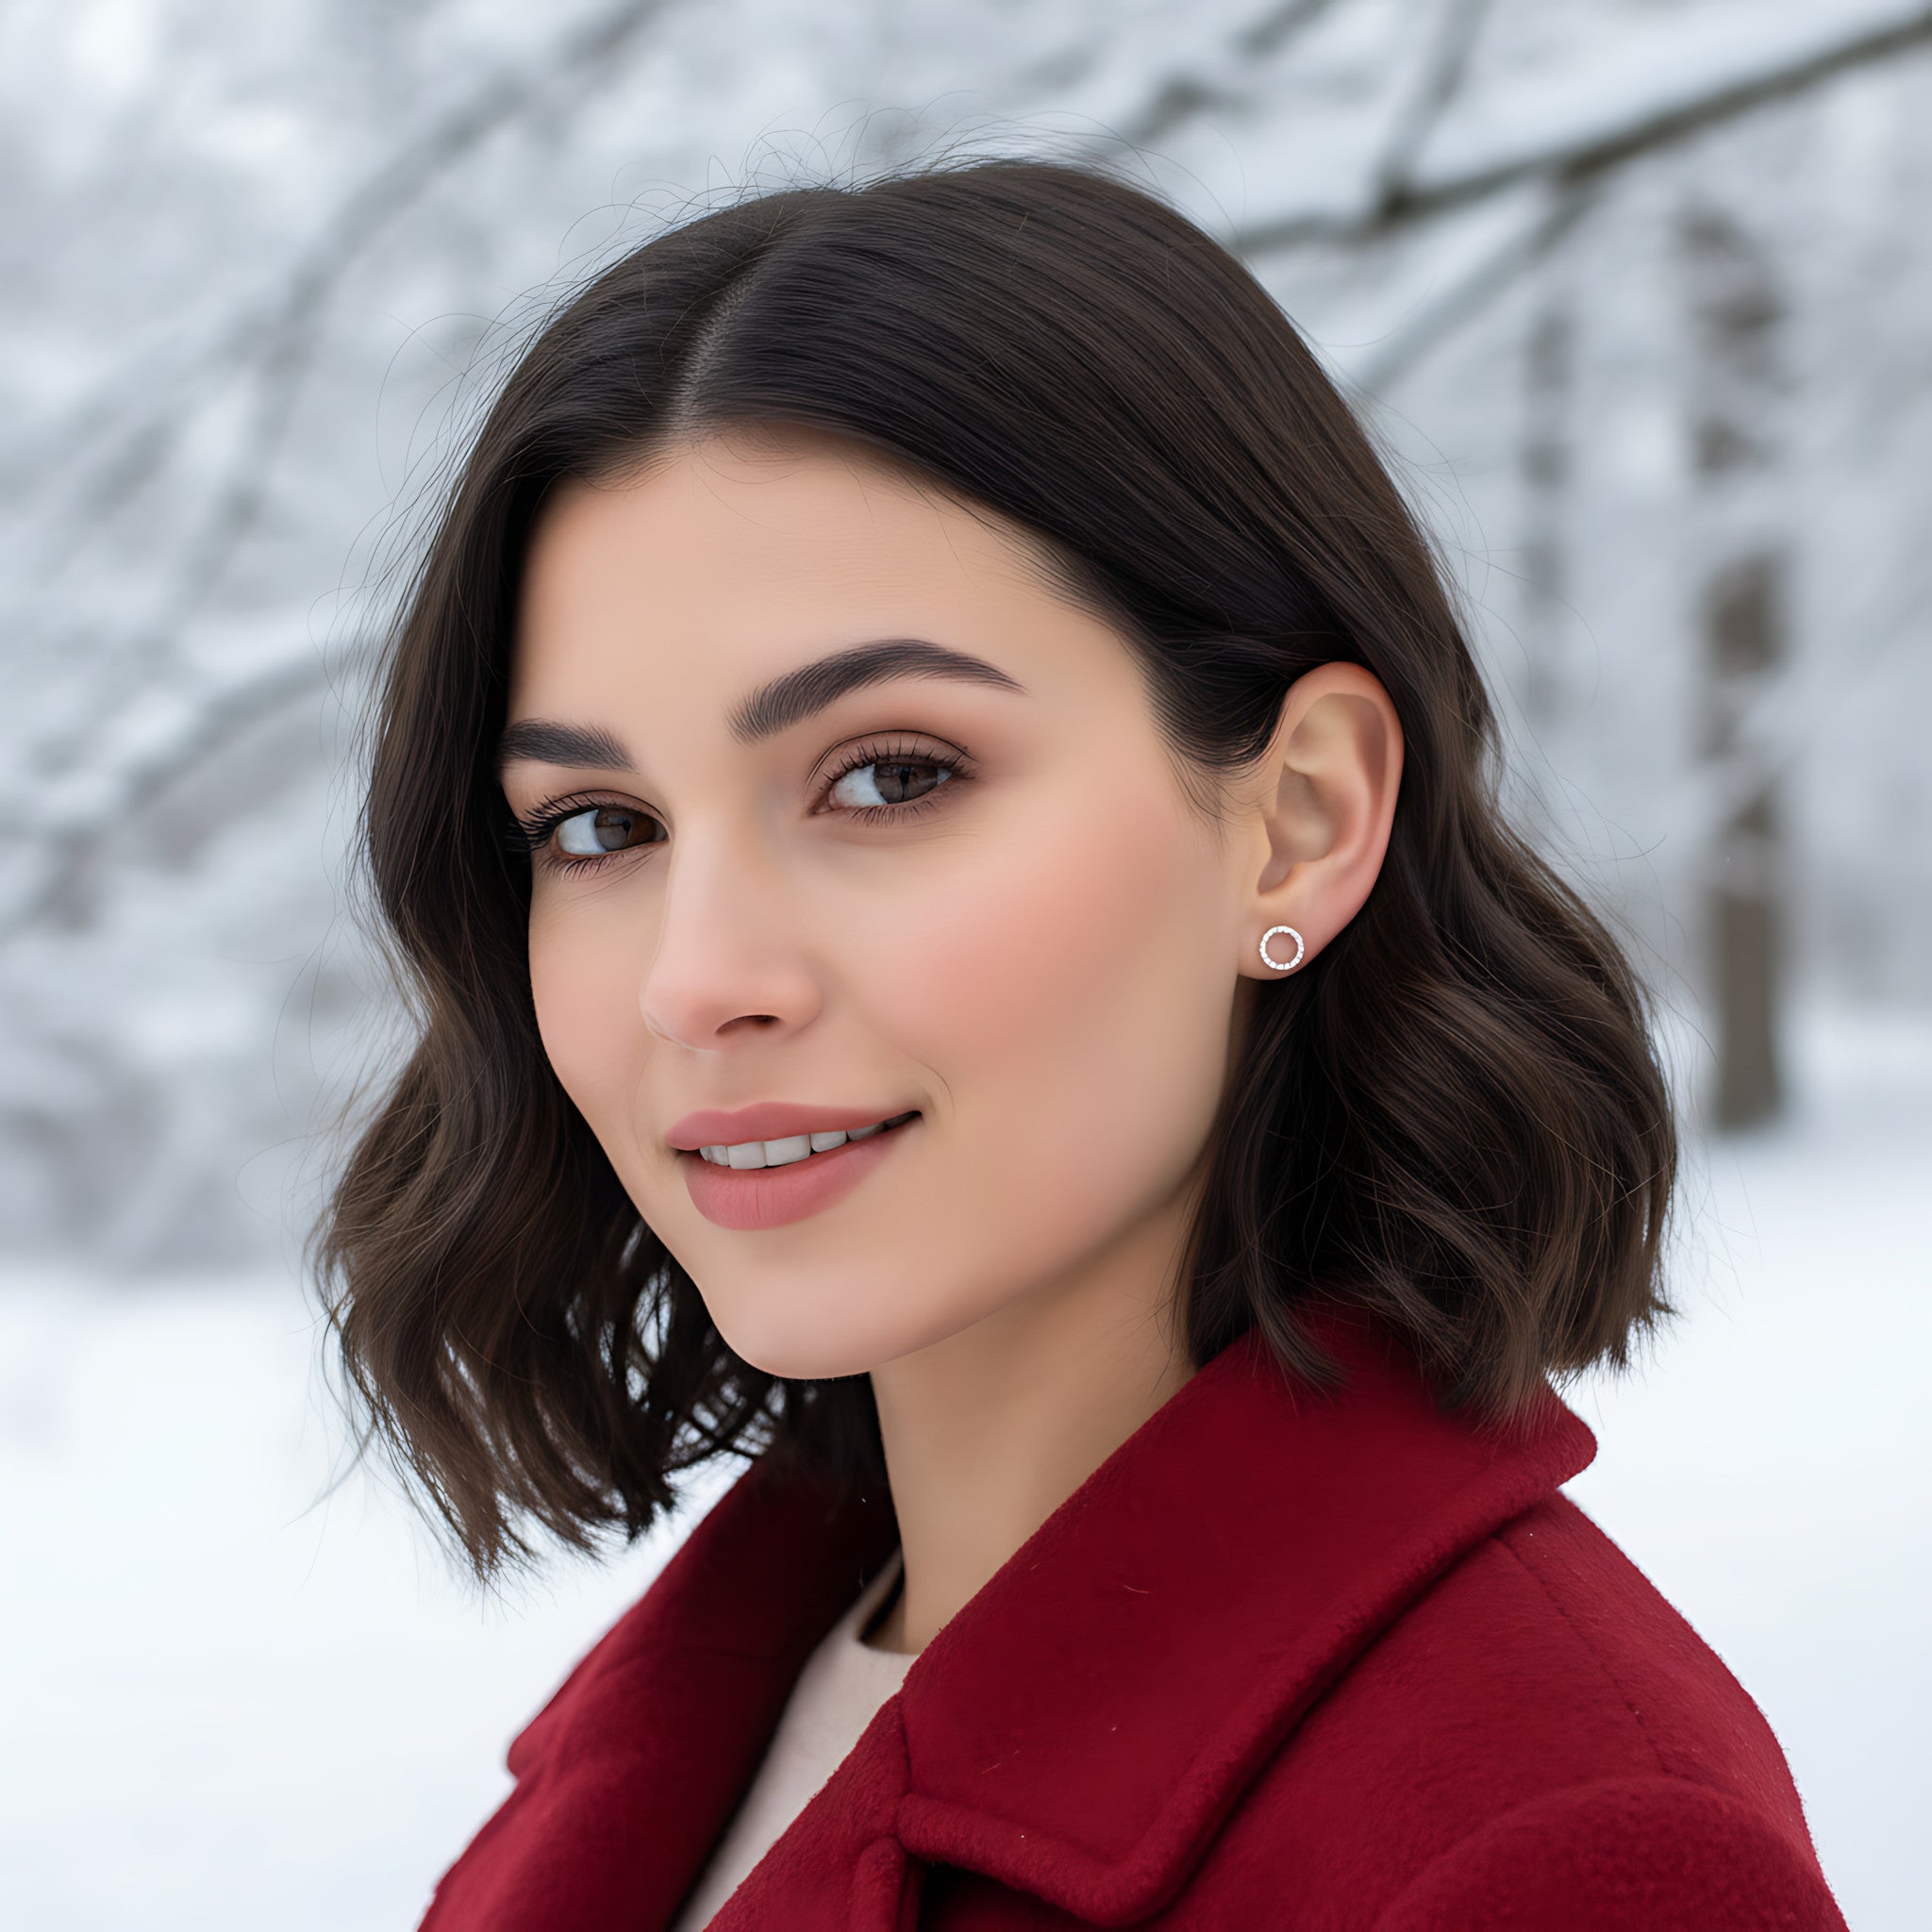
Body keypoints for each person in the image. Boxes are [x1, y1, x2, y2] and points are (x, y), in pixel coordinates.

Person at [316, 158, 1848, 1929]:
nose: (695, 978)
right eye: (597, 825)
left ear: (1297, 818)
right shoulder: (723, 1698)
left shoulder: (1558, 1849)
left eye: (890, 777)